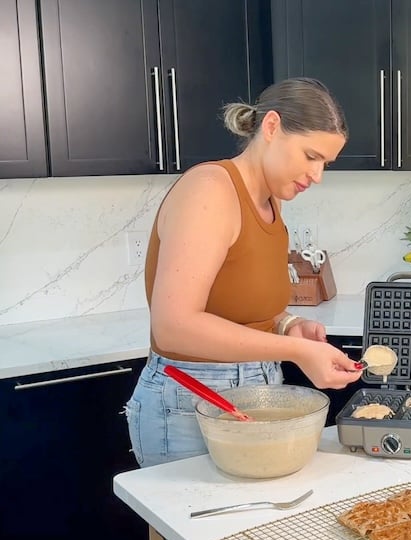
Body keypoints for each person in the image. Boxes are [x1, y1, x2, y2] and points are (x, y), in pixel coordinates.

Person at [125, 77, 362, 468]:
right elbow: (173, 326)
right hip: (191, 401)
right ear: (271, 127)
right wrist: (298, 351)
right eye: (311, 156)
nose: (318, 175)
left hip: (258, 390)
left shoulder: (272, 200)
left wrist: (288, 325)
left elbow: (240, 305)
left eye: (326, 164)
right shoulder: (210, 190)